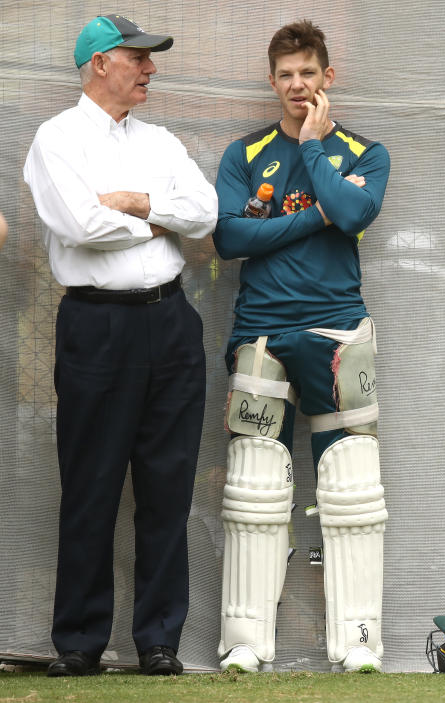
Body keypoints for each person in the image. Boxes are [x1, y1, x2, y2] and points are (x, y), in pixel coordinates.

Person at [22, 14, 217, 677]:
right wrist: (160, 219)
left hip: (170, 322)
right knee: (91, 483)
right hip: (96, 326)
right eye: (139, 58)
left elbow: (206, 213)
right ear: (101, 62)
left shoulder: (159, 141)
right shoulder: (55, 140)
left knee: (167, 487)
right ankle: (79, 641)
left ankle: (158, 640)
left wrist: (136, 203)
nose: (150, 69)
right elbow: (77, 224)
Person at [213, 20, 390, 673]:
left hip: (339, 333)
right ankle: (244, 643)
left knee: (352, 485)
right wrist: (311, 215)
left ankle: (359, 641)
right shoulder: (245, 154)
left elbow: (351, 214)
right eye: (285, 74)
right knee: (255, 479)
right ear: (271, 80)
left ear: (327, 78)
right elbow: (230, 239)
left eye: (307, 74)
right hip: (262, 333)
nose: (296, 84)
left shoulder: (366, 153)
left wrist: (314, 149)